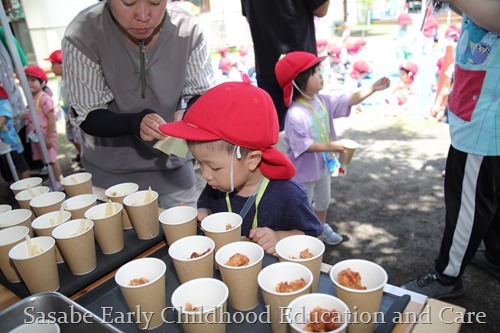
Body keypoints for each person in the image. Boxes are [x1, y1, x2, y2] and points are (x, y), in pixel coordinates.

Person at [62, 0, 215, 208]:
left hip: (174, 170)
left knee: (186, 236)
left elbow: (201, 95)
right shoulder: (83, 33)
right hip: (111, 178)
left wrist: (189, 114)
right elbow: (88, 114)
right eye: (128, 2)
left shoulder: (188, 30)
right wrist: (135, 123)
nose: (143, 15)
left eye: (155, 2)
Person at [402, 0, 500, 299]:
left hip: (484, 127)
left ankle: (447, 277)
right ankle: (496, 255)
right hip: (478, 116)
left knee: (467, 205)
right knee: (489, 196)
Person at [159, 77, 324, 254]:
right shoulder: (217, 184)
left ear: (253, 160)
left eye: (214, 167)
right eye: (199, 162)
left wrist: (280, 238)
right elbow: (206, 206)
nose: (206, 175)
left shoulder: (290, 195)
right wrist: (203, 215)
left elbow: (314, 235)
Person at [275, 51, 390, 245]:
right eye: (314, 72)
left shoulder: (322, 100)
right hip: (303, 173)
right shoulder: (295, 114)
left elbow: (348, 100)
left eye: (318, 70)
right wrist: (334, 145)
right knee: (303, 206)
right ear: (299, 82)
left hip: (323, 167)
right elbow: (305, 146)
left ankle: (319, 231)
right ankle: (305, 237)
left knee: (323, 202)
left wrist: (373, 88)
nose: (320, 75)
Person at [240, 0, 330, 130]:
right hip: (300, 70)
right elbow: (321, 9)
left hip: (267, 66)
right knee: (309, 130)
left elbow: (250, 17)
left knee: (276, 131)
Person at [22, 65, 63, 188]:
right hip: (38, 136)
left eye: (33, 80)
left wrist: (49, 137)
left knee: (52, 159)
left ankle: (59, 181)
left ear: (42, 82)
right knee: (45, 159)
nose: (29, 83)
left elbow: (51, 119)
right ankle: (52, 179)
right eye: (27, 80)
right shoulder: (32, 98)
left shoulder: (44, 98)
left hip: (46, 136)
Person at [45, 49, 84, 170]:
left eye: (53, 64)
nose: (51, 67)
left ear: (62, 65)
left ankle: (86, 157)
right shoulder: (61, 81)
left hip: (76, 115)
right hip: (68, 115)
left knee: (79, 137)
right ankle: (82, 156)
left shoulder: (72, 80)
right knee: (71, 137)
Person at [0, 86, 30, 182]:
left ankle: (26, 186)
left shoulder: (4, 103)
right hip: (3, 146)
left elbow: (1, 121)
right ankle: (17, 186)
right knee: (9, 168)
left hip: (12, 144)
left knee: (22, 167)